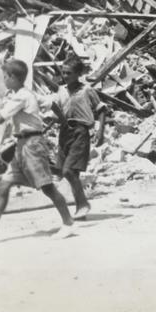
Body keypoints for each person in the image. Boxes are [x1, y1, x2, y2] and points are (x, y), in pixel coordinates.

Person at [0, 59, 75, 244]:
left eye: (5, 77)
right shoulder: (27, 93)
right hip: (22, 144)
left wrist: (2, 102)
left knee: (47, 187)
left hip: (32, 146)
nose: (4, 80)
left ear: (13, 77)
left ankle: (68, 223)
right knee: (4, 185)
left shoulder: (20, 97)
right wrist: (63, 121)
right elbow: (51, 104)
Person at [49, 55, 106, 220]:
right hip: (64, 132)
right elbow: (59, 112)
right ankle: (80, 206)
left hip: (80, 132)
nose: (65, 76)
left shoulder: (86, 90)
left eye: (68, 73)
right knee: (64, 172)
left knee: (69, 171)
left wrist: (100, 131)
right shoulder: (61, 91)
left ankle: (83, 204)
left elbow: (101, 109)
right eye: (63, 72)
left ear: (77, 74)